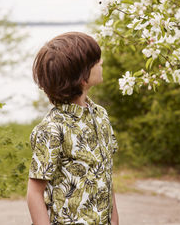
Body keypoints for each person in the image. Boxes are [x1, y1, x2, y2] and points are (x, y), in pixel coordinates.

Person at [26, 32, 119, 225]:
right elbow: (35, 193)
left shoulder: (100, 115)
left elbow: (106, 179)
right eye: (95, 60)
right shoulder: (52, 128)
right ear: (81, 78)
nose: (101, 61)